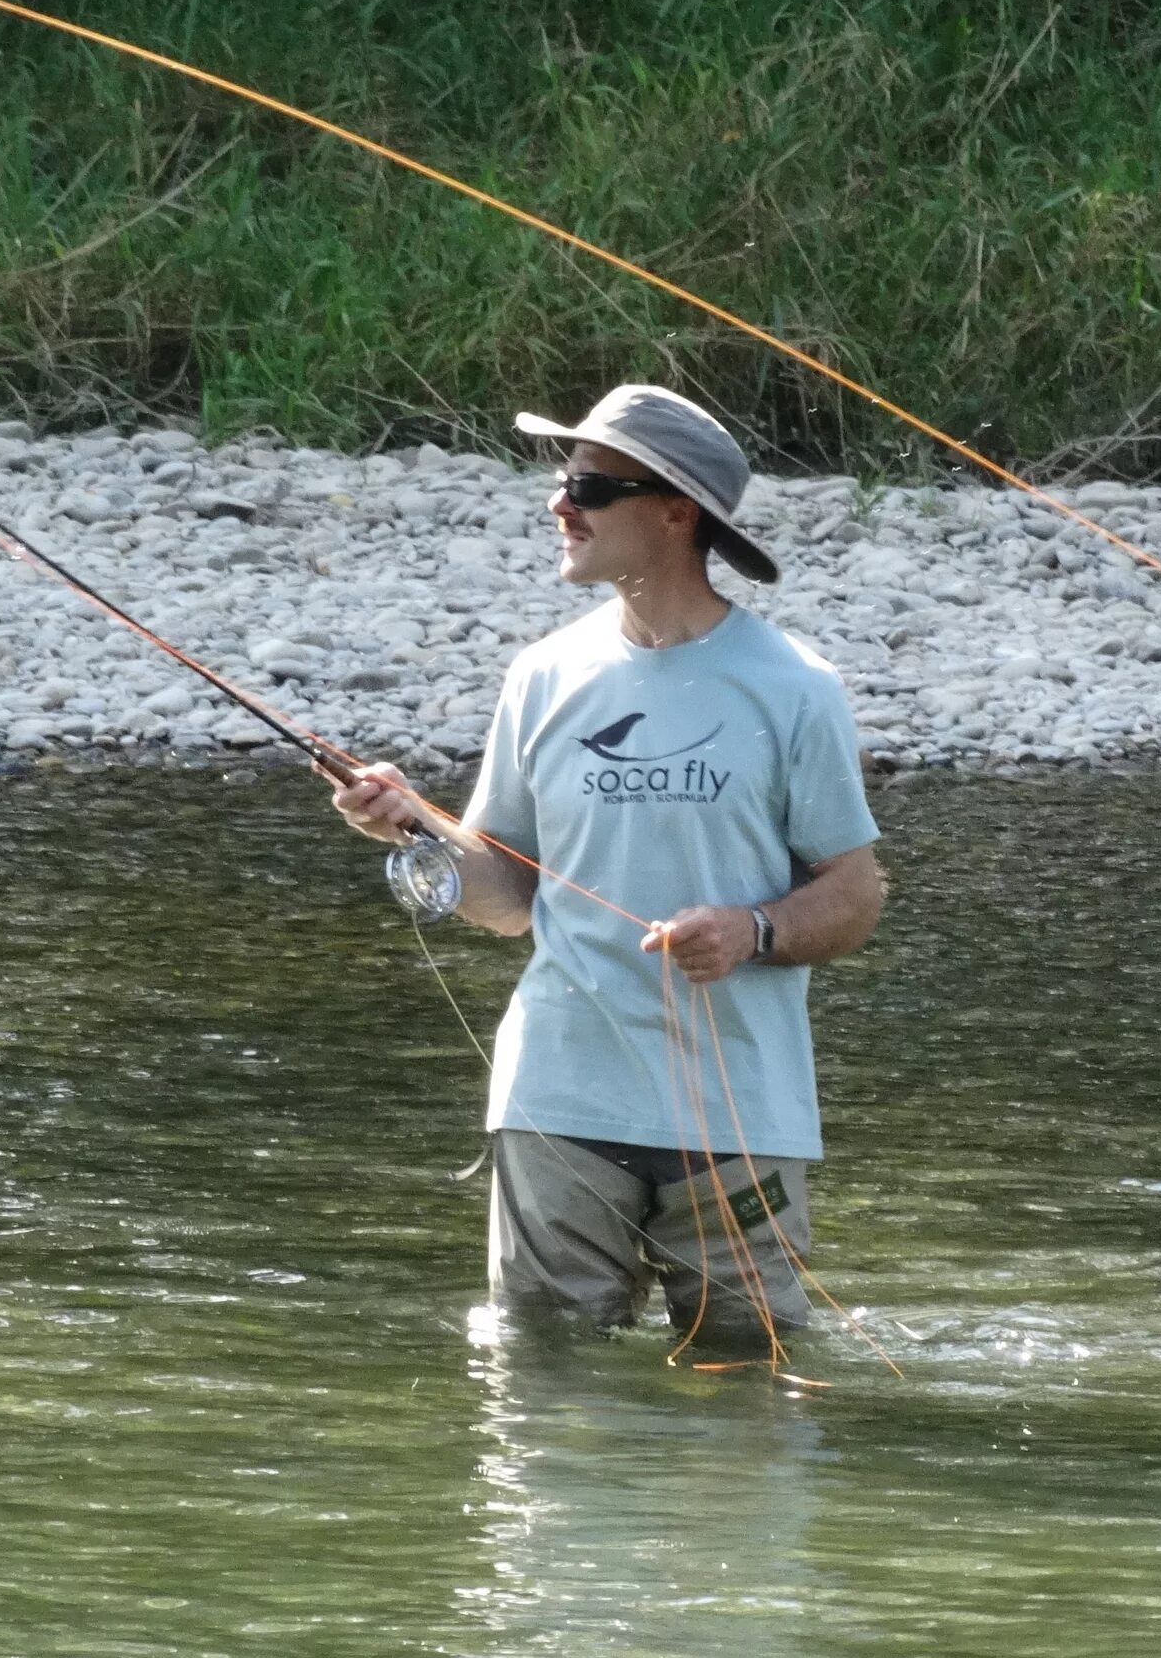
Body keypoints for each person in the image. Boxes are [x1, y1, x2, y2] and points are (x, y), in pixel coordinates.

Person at [331, 383, 885, 1355]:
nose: (560, 504)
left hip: (740, 1113)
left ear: (674, 511)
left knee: (748, 1386)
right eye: (562, 480)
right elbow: (509, 900)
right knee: (541, 1385)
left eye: (589, 484)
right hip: (557, 1098)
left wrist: (755, 931)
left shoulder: (795, 687)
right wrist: (415, 825)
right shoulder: (543, 675)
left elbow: (855, 891)